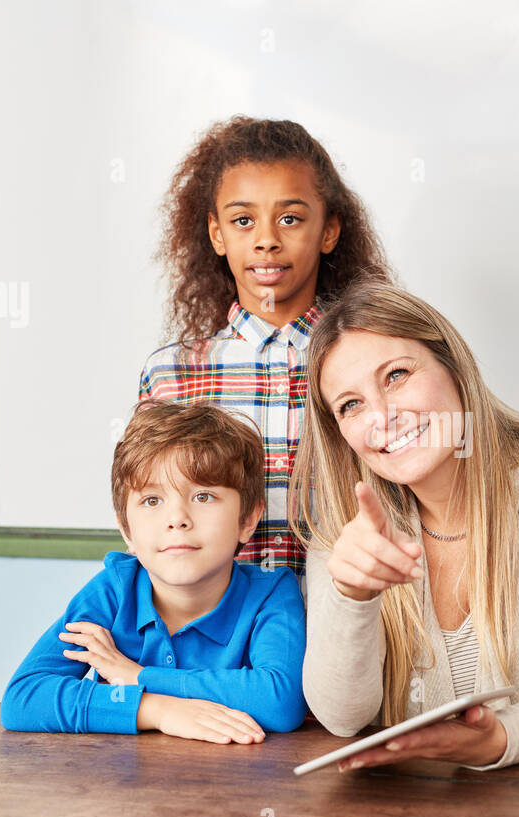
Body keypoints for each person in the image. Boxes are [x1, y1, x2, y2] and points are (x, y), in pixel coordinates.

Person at [288, 281, 519, 771]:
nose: (382, 416)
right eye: (351, 405)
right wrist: (352, 596)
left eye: (397, 376)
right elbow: (344, 718)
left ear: (452, 365)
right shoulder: (349, 530)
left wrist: (499, 739)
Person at [138, 115, 393, 583]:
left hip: (346, 628)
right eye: (243, 220)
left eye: (290, 219)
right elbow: (150, 515)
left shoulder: (371, 362)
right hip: (219, 643)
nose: (267, 240)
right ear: (217, 234)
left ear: (329, 231)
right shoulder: (172, 374)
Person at [0, 400, 307, 739]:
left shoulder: (272, 593)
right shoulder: (114, 590)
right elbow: (24, 698)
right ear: (127, 531)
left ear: (247, 520)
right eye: (152, 501)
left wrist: (139, 676)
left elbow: (280, 700)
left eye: (203, 496)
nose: (177, 519)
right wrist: (157, 709)